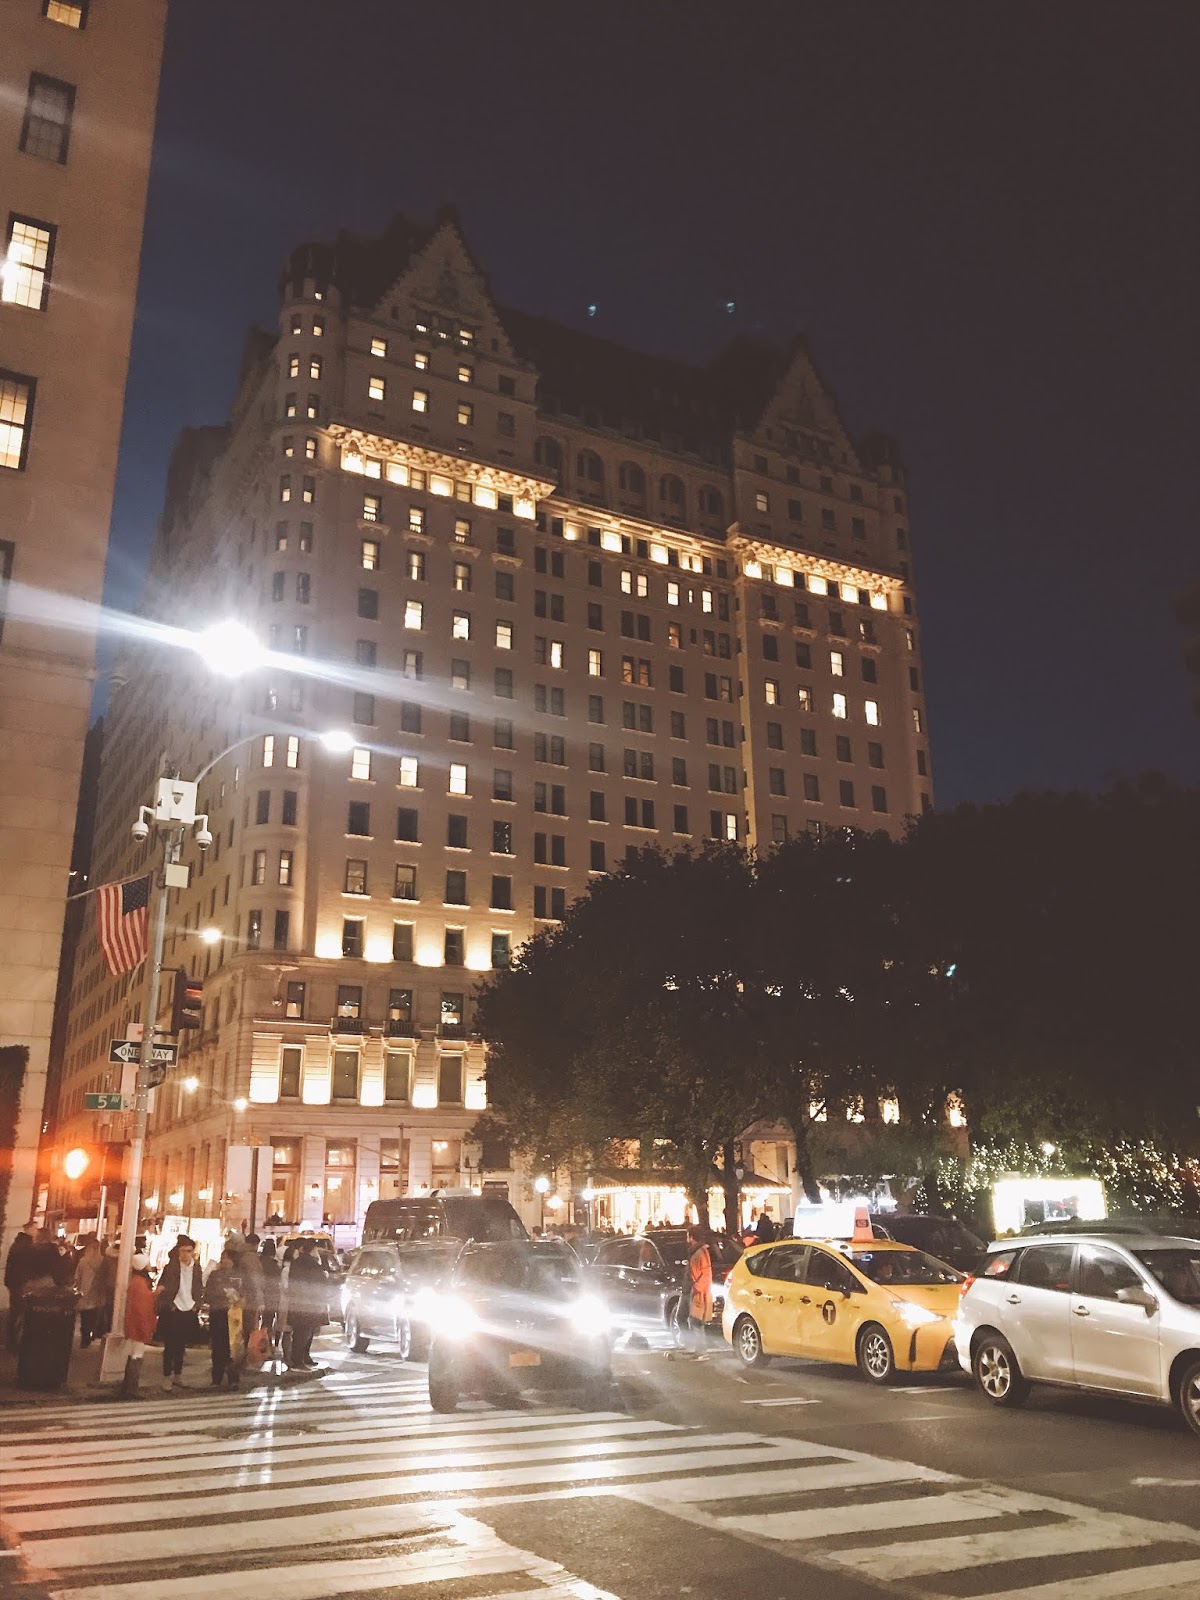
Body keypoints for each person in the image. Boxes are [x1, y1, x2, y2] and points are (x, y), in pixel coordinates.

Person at [155, 1234, 202, 1391]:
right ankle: (167, 1376)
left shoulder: (196, 1268)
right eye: (182, 1251)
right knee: (170, 1344)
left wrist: (196, 1304)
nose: (185, 1254)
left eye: (188, 1251)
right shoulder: (171, 1267)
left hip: (189, 1308)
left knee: (182, 1345)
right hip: (174, 1308)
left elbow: (198, 1287)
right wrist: (169, 1304)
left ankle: (178, 1374)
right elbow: (163, 1286)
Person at [202, 1246, 245, 1388]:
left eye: (227, 1258)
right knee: (217, 1347)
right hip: (218, 1314)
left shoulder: (240, 1276)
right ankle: (216, 1378)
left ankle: (233, 1378)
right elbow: (208, 1295)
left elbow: (246, 1294)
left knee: (234, 1348)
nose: (224, 1261)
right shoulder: (215, 1275)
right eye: (223, 1258)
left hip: (234, 1318)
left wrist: (237, 1298)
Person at [285, 1237, 327, 1370]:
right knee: (305, 1333)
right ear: (313, 1249)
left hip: (297, 1302)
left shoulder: (296, 1262)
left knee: (299, 1332)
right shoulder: (313, 1264)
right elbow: (319, 1284)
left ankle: (300, 1358)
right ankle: (299, 1359)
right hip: (309, 1303)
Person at [119, 1253, 157, 1399]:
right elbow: (142, 1307)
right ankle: (132, 1388)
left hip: (135, 1324)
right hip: (138, 1325)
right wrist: (145, 1329)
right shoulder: (140, 1283)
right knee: (137, 1355)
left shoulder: (136, 1281)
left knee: (134, 1354)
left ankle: (128, 1386)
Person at [4, 1223, 37, 1351]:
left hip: (14, 1283)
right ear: (29, 1230)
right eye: (35, 1229)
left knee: (15, 1312)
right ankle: (14, 1341)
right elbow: (28, 1267)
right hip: (21, 1284)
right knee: (20, 1312)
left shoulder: (17, 1244)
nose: (36, 1232)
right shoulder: (26, 1246)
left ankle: (10, 1340)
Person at [684, 1228, 713, 1350]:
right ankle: (697, 1349)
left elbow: (704, 1274)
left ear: (691, 1237)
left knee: (696, 1321)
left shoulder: (699, 1253)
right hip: (699, 1291)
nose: (686, 1238)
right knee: (694, 1321)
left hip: (699, 1293)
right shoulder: (700, 1251)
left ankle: (701, 1351)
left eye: (687, 1235)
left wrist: (695, 1288)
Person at [74, 1236, 106, 1348]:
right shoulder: (102, 1261)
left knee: (85, 1317)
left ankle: (85, 1338)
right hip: (97, 1292)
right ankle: (93, 1334)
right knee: (95, 1316)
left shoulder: (83, 1261)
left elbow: (77, 1277)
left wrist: (79, 1288)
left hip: (85, 1291)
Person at [259, 1237, 282, 1351]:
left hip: (259, 1294)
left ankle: (257, 1343)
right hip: (271, 1296)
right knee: (268, 1321)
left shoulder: (259, 1262)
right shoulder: (274, 1265)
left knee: (256, 1321)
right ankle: (265, 1345)